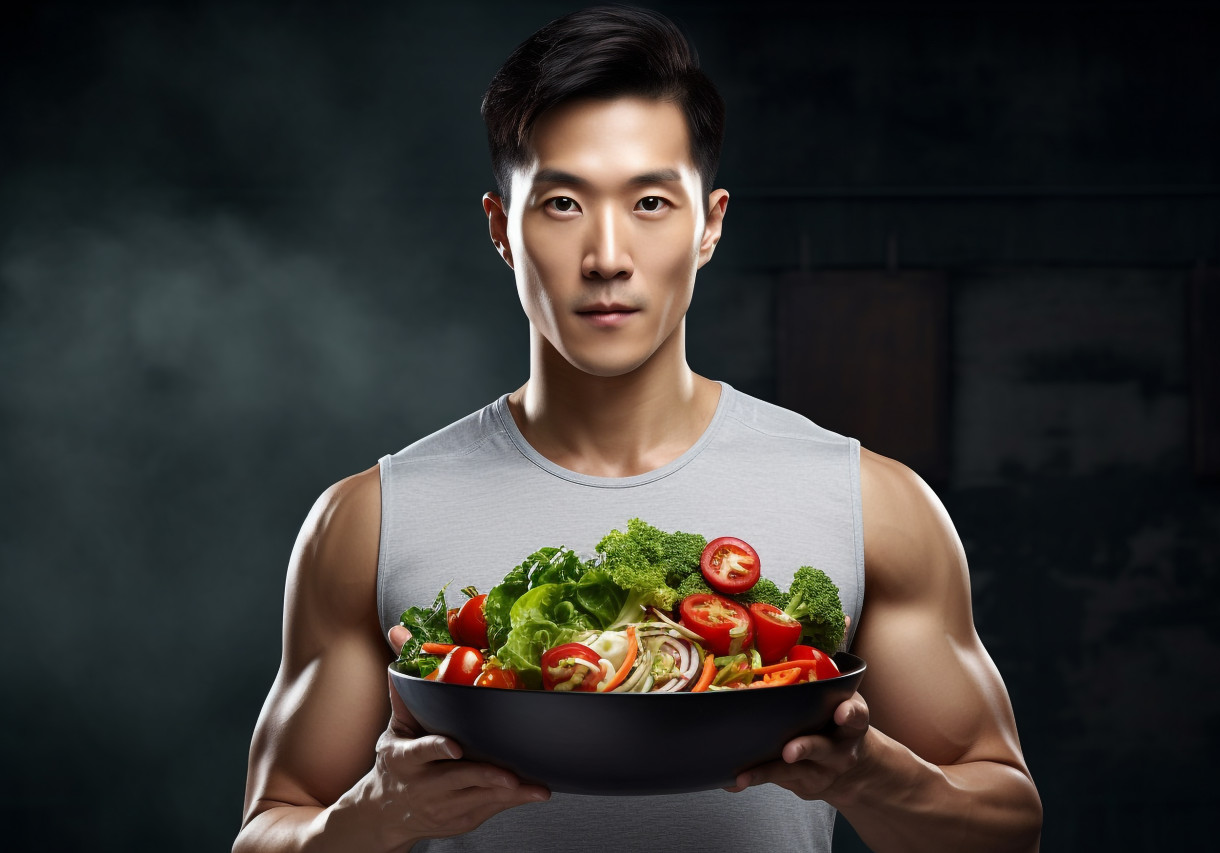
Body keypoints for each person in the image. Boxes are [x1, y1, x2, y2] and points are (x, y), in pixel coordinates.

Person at [234, 7, 1042, 852]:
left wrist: (869, 776)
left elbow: (1006, 822)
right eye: (561, 203)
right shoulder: (367, 519)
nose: (607, 254)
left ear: (711, 224)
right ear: (500, 229)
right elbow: (267, 830)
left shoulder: (872, 500)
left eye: (651, 201)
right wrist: (376, 814)